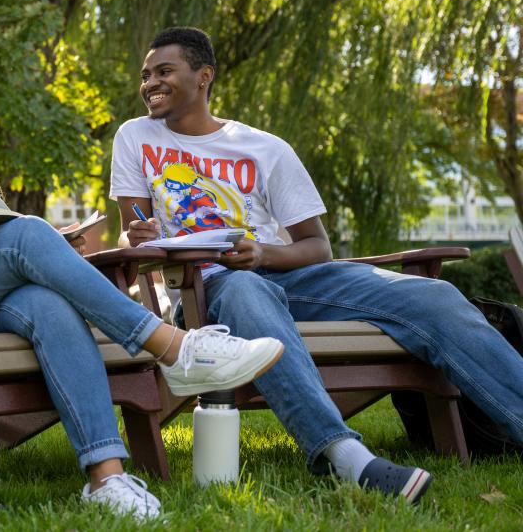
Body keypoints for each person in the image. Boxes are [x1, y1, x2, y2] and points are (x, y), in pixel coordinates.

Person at [0, 31, 286, 520]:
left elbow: (6, 236)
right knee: (27, 236)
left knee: (47, 303)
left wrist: (54, 247)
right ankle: (175, 348)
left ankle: (106, 477)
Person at [112, 26, 523, 504]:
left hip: (289, 275)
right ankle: (345, 457)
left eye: (164, 71)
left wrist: (263, 253)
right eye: (145, 75)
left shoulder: (265, 147)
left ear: (204, 76)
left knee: (435, 295)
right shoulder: (136, 137)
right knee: (247, 288)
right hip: (206, 292)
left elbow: (315, 246)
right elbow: (131, 233)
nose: (149, 83)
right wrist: (133, 235)